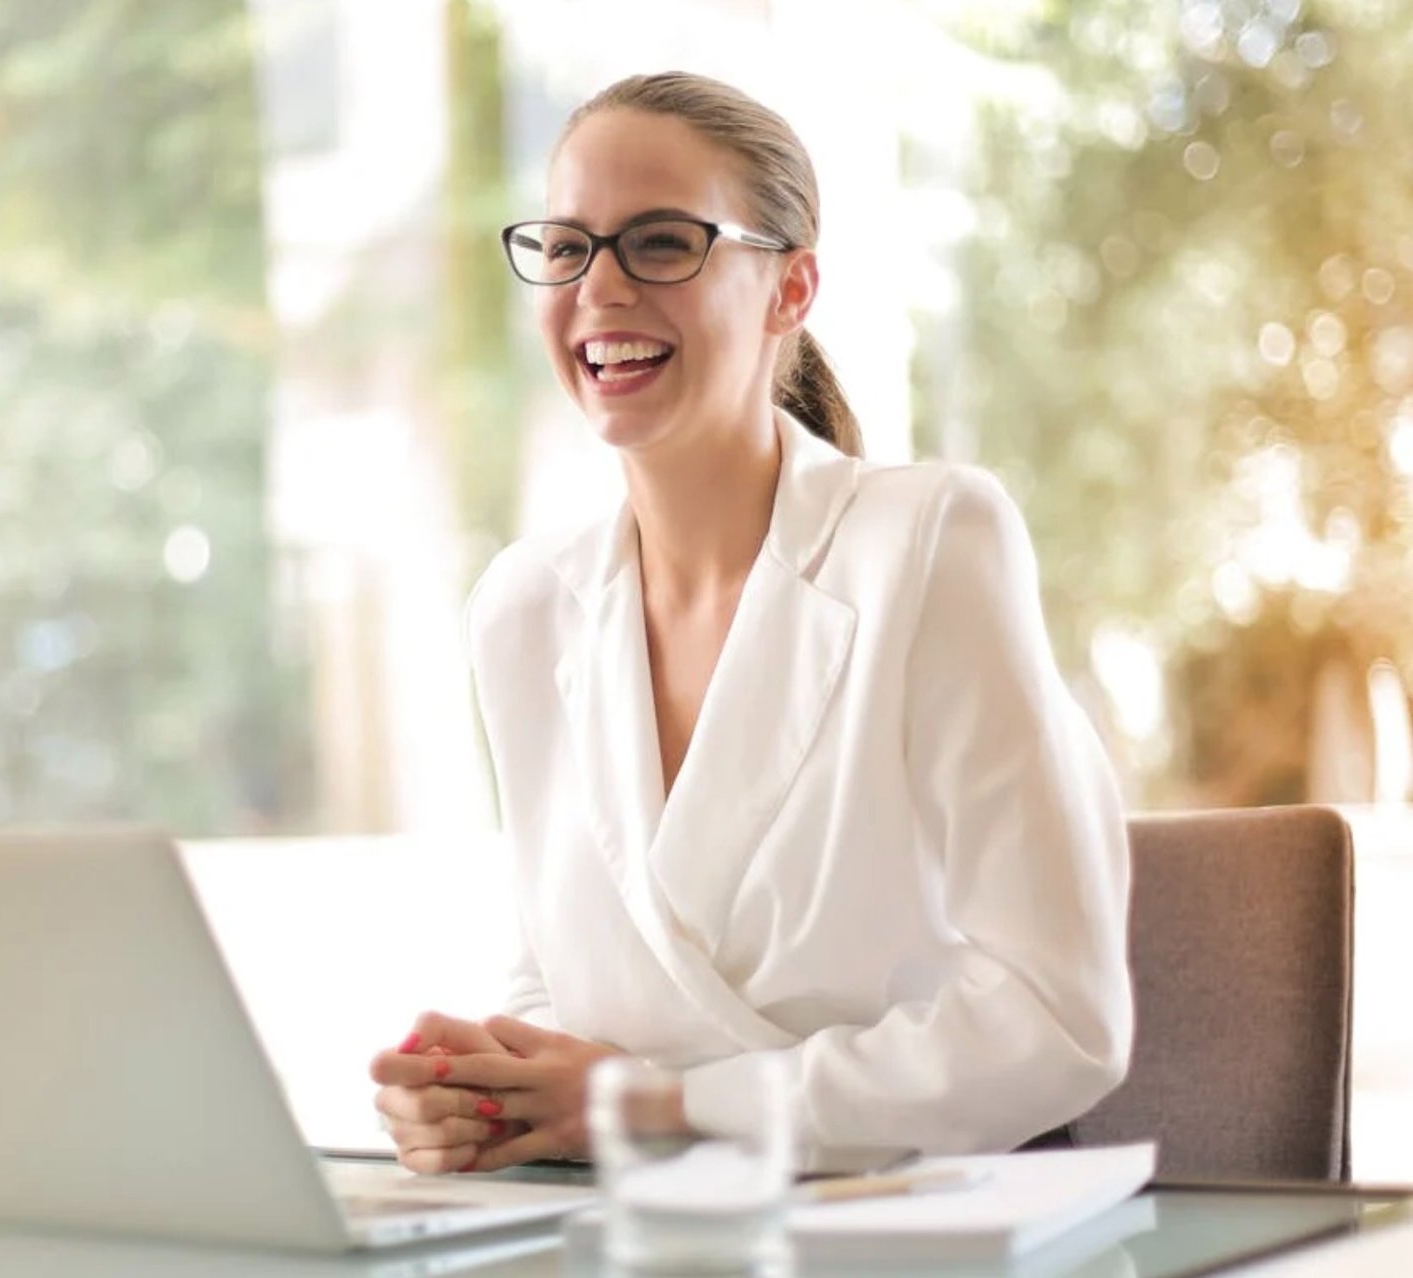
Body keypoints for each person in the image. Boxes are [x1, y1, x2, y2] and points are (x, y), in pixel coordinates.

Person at [367, 71, 1132, 1176]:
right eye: (568, 245)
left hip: (913, 1220)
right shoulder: (523, 610)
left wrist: (664, 1105)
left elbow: (1060, 1019)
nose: (600, 288)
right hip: (655, 1229)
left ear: (791, 287)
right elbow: (559, 975)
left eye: (663, 243)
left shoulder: (927, 543)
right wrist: (486, 1092)